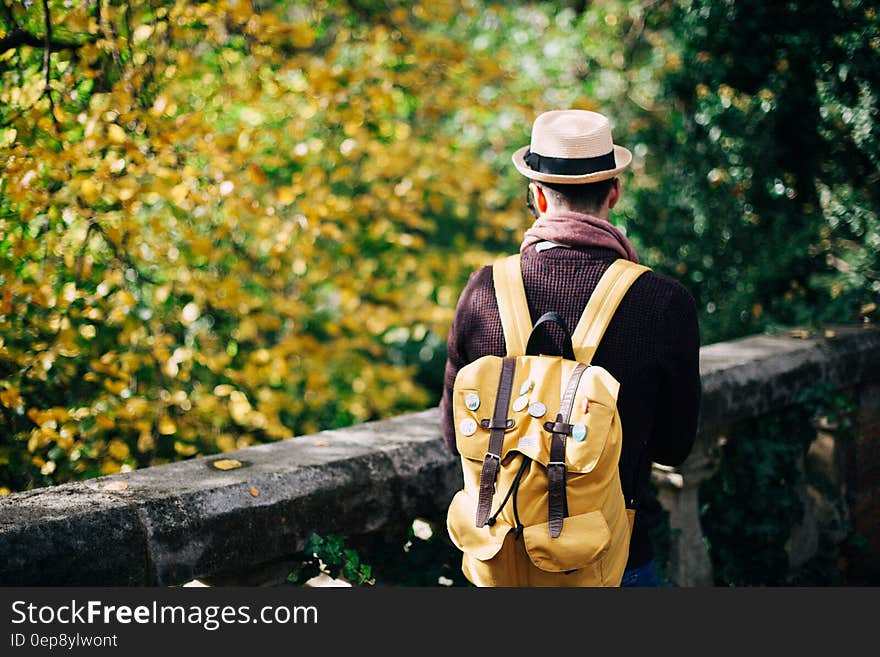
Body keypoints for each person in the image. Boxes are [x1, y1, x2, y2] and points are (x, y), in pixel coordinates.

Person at [439, 109, 702, 586]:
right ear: (614, 192)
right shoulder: (663, 303)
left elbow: (452, 436)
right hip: (612, 563)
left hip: (503, 568)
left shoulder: (483, 291)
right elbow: (674, 448)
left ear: (537, 196)